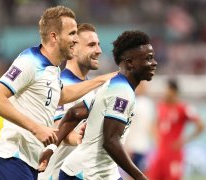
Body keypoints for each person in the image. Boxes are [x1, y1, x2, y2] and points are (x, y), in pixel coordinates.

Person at [0, 6, 115, 180]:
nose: (76, 40)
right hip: (11, 158)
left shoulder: (53, 70)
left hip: (29, 163)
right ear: (54, 36)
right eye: (72, 34)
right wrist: (36, 128)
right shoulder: (29, 61)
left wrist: (103, 80)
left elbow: (62, 95)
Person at [39, 30, 157, 180]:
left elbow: (74, 114)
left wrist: (51, 148)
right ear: (130, 63)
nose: (154, 63)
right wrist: (140, 177)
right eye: (149, 58)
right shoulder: (121, 91)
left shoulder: (109, 86)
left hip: (102, 172)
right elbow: (110, 141)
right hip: (85, 173)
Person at [38, 23, 102, 180]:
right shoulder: (61, 85)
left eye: (98, 45)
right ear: (73, 48)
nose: (99, 50)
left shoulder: (87, 87)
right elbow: (56, 130)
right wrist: (85, 139)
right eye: (91, 45)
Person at [146, 79, 205, 180]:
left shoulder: (183, 108)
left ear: (173, 91)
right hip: (160, 154)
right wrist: (156, 138)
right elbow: (153, 124)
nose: (164, 93)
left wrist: (184, 141)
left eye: (166, 90)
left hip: (174, 154)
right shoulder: (161, 106)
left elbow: (201, 125)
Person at [124, 81, 155, 172]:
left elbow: (151, 125)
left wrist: (155, 144)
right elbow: (126, 126)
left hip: (144, 147)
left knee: (144, 174)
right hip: (132, 147)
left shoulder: (148, 103)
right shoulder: (131, 102)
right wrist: (126, 146)